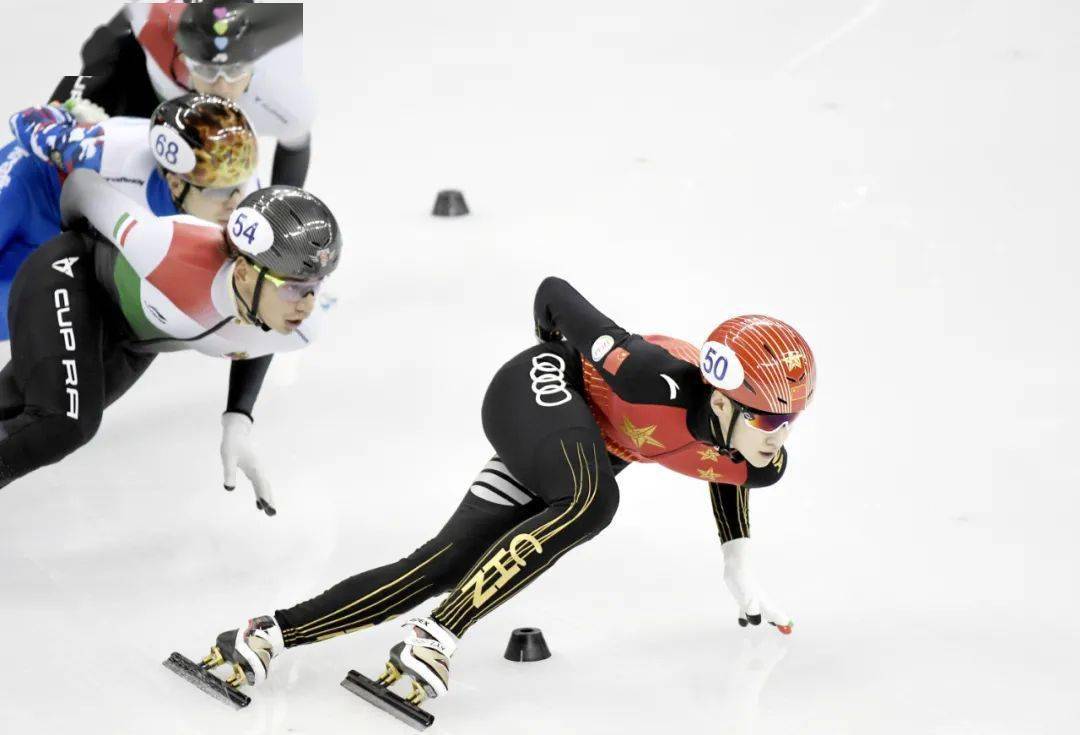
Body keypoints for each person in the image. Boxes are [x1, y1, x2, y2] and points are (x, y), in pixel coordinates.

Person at [183, 277, 816, 717]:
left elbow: (729, 474)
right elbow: (555, 295)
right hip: (541, 390)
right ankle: (437, 634)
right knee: (594, 501)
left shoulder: (757, 458)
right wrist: (551, 354)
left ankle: (263, 637)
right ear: (726, 401)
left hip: (566, 457)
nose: (779, 437)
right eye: (769, 420)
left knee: (443, 564)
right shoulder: (649, 374)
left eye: (790, 421)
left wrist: (738, 562)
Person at [0, 167, 342, 515]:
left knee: (16, 407)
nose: (309, 302)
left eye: (317, 286)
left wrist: (238, 420)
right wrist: (69, 241)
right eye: (295, 288)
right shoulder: (168, 247)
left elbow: (260, 340)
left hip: (134, 342)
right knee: (64, 422)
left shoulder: (299, 325)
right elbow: (81, 186)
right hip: (72, 274)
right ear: (242, 273)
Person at [0, 93, 261, 340]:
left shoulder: (247, 198)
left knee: (16, 315)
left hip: (71, 225)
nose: (237, 202)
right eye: (222, 191)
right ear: (176, 185)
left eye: (242, 185)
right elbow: (25, 119)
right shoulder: (111, 153)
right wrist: (65, 114)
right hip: (29, 184)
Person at [50, 1, 311, 186]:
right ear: (185, 58)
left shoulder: (282, 95)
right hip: (140, 84)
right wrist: (71, 101)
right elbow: (105, 41)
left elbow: (295, 147)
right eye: (206, 71)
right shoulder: (152, 26)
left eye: (235, 71)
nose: (220, 87)